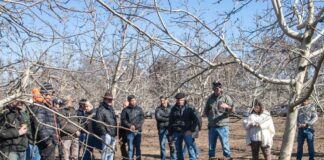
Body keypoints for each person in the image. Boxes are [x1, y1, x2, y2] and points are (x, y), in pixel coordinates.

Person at [204, 81, 235, 159]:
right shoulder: (210, 98)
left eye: (218, 87)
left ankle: (227, 157)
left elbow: (233, 111)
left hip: (223, 126)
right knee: (211, 146)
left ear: (221, 88)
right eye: (215, 87)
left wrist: (228, 107)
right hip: (212, 126)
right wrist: (210, 117)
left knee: (225, 145)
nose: (217, 89)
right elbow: (206, 111)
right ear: (213, 88)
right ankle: (211, 158)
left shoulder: (226, 97)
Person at [29, 82, 60, 160]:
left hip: (52, 140)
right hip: (46, 142)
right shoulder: (39, 106)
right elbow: (39, 125)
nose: (51, 96)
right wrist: (48, 141)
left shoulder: (48, 106)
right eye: (49, 94)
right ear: (43, 94)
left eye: (51, 94)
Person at [169, 93, 199, 160]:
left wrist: (191, 130)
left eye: (181, 100)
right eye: (178, 100)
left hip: (187, 131)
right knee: (178, 150)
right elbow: (170, 122)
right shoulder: (173, 109)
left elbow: (196, 120)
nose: (180, 101)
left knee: (190, 149)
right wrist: (170, 134)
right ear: (176, 100)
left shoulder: (189, 108)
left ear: (184, 99)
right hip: (176, 132)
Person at [121, 95, 144, 160]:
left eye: (134, 100)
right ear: (129, 101)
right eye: (132, 100)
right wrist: (130, 126)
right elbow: (123, 120)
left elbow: (142, 119)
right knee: (130, 148)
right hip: (129, 132)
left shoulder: (139, 109)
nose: (133, 102)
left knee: (138, 147)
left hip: (138, 131)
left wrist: (136, 126)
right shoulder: (125, 110)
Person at [95, 92, 117, 160]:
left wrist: (115, 133)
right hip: (106, 134)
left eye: (111, 99)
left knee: (111, 152)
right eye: (108, 99)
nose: (110, 101)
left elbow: (114, 122)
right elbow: (99, 123)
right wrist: (105, 133)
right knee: (105, 152)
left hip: (113, 134)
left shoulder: (111, 109)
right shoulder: (101, 109)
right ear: (105, 99)